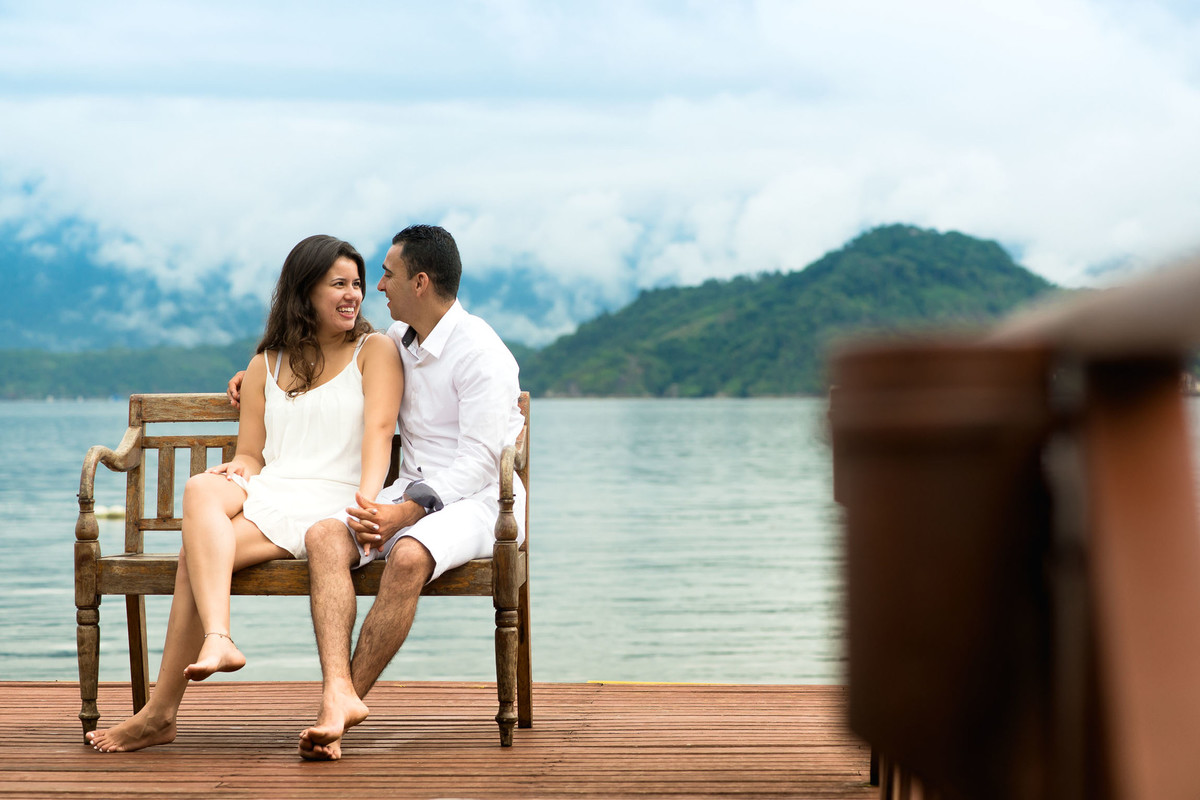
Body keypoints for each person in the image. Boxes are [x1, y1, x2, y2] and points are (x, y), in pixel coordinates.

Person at [86, 235, 403, 753]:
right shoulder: (267, 364)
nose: (353, 296)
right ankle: (216, 640)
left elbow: (379, 431)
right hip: (274, 491)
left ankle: (161, 711)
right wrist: (236, 468)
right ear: (304, 292)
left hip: (335, 502)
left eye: (357, 285)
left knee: (196, 552)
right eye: (338, 284)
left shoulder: (376, 351)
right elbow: (253, 454)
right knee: (200, 488)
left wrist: (366, 503)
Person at [227, 224, 526, 761]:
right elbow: (325, 351)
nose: (376, 287)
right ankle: (337, 692)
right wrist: (253, 378)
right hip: (406, 495)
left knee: (408, 556)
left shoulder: (482, 353)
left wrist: (404, 511)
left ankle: (336, 715)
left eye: (386, 275)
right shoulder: (398, 343)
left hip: (483, 504)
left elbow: (481, 464)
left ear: (420, 281)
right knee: (323, 536)